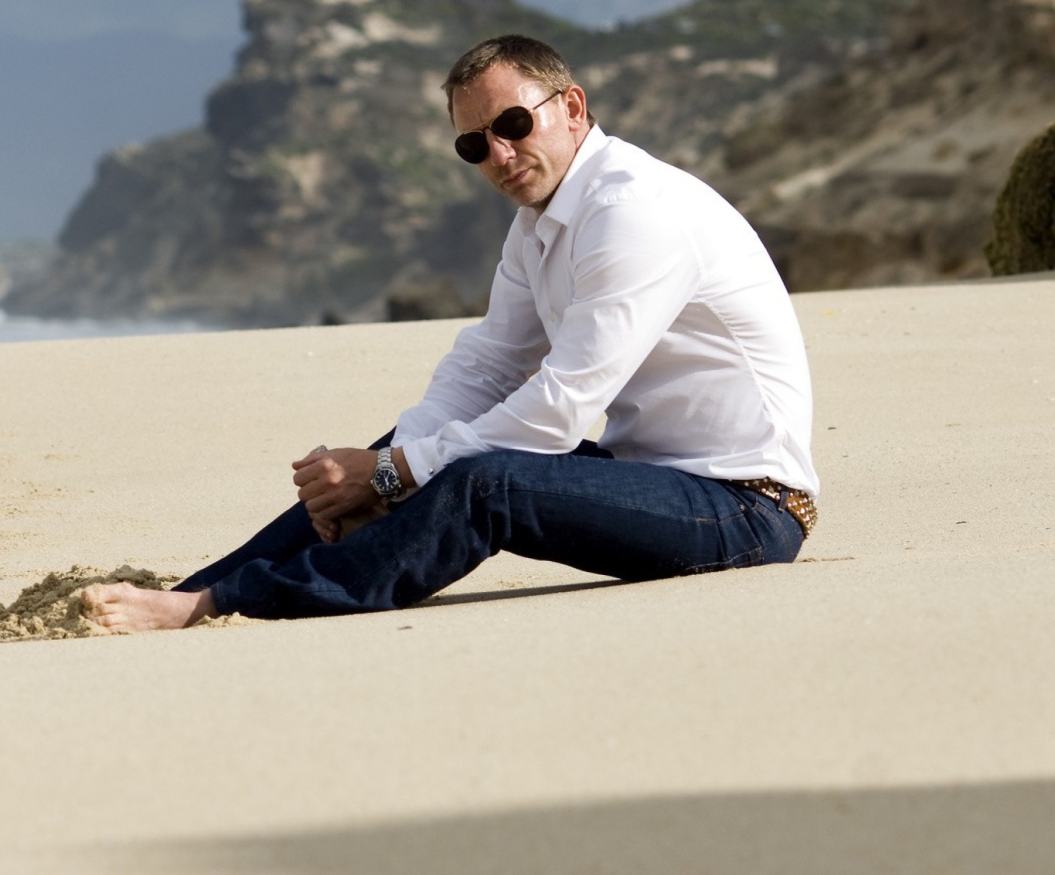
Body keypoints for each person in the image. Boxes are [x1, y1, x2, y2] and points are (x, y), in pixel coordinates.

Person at [82, 34, 819, 633]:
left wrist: (398, 475)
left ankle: (230, 607)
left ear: (571, 107)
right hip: (660, 479)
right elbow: (487, 368)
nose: (498, 155)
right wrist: (384, 469)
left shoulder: (635, 212)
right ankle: (201, 589)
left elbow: (560, 410)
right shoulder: (541, 224)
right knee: (408, 450)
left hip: (746, 507)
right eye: (474, 145)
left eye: (512, 126)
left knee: (481, 480)